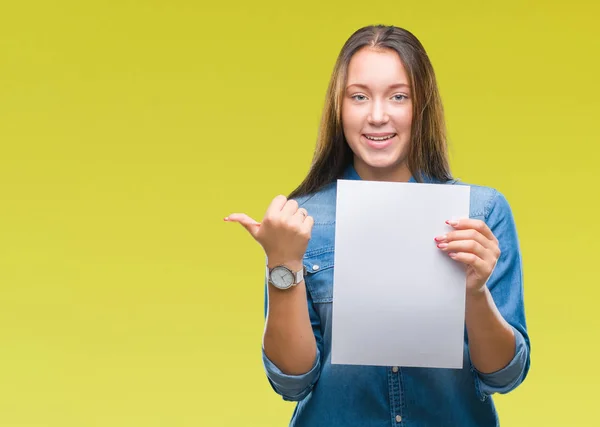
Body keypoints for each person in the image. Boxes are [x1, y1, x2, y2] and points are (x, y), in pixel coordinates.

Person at [225, 25, 530, 427]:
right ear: (340, 107)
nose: (378, 115)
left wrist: (474, 292)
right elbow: (292, 382)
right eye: (359, 96)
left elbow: (502, 375)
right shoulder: (301, 219)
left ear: (421, 106)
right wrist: (282, 268)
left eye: (398, 96)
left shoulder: (480, 213)